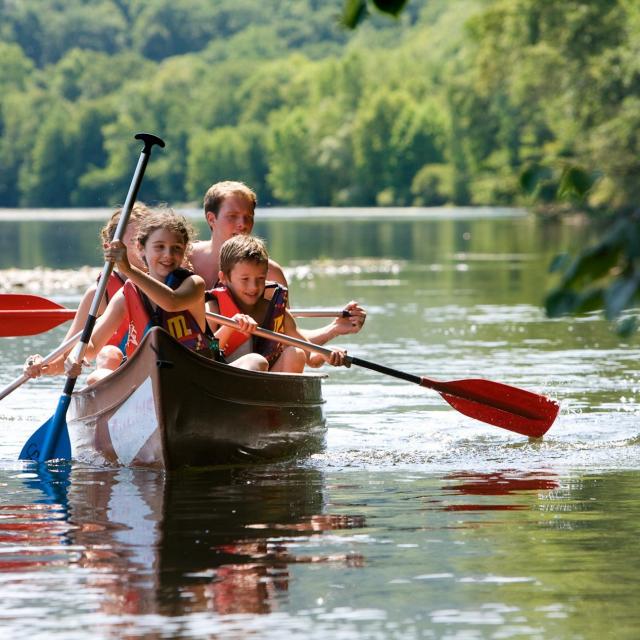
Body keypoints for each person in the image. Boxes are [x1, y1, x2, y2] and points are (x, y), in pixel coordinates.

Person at [189, 181, 367, 349]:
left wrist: (334, 329)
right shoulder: (185, 258)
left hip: (247, 362)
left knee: (290, 355)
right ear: (211, 219)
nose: (242, 224)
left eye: (248, 217)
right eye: (232, 216)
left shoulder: (271, 273)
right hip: (202, 351)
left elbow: (289, 338)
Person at [65, 208, 218, 378]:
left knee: (253, 360)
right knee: (96, 376)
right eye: (159, 247)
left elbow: (171, 302)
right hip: (148, 376)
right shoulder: (127, 294)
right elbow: (92, 344)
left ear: (185, 251)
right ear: (141, 247)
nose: (168, 255)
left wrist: (128, 270)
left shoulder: (194, 283)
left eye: (176, 248)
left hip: (192, 373)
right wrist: (75, 355)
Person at [23, 203, 150, 379]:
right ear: (110, 249)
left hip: (158, 362)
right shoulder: (98, 294)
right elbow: (65, 357)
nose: (142, 247)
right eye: (135, 241)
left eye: (146, 240)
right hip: (117, 370)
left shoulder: (166, 281)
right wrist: (42, 366)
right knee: (108, 352)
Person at [206, 235, 346, 373]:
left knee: (296, 353)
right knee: (256, 360)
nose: (253, 287)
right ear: (224, 278)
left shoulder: (278, 313)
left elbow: (310, 358)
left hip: (266, 385)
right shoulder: (213, 307)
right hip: (225, 377)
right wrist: (228, 327)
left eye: (260, 278)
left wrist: (327, 354)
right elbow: (208, 351)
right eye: (245, 279)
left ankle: (283, 395)